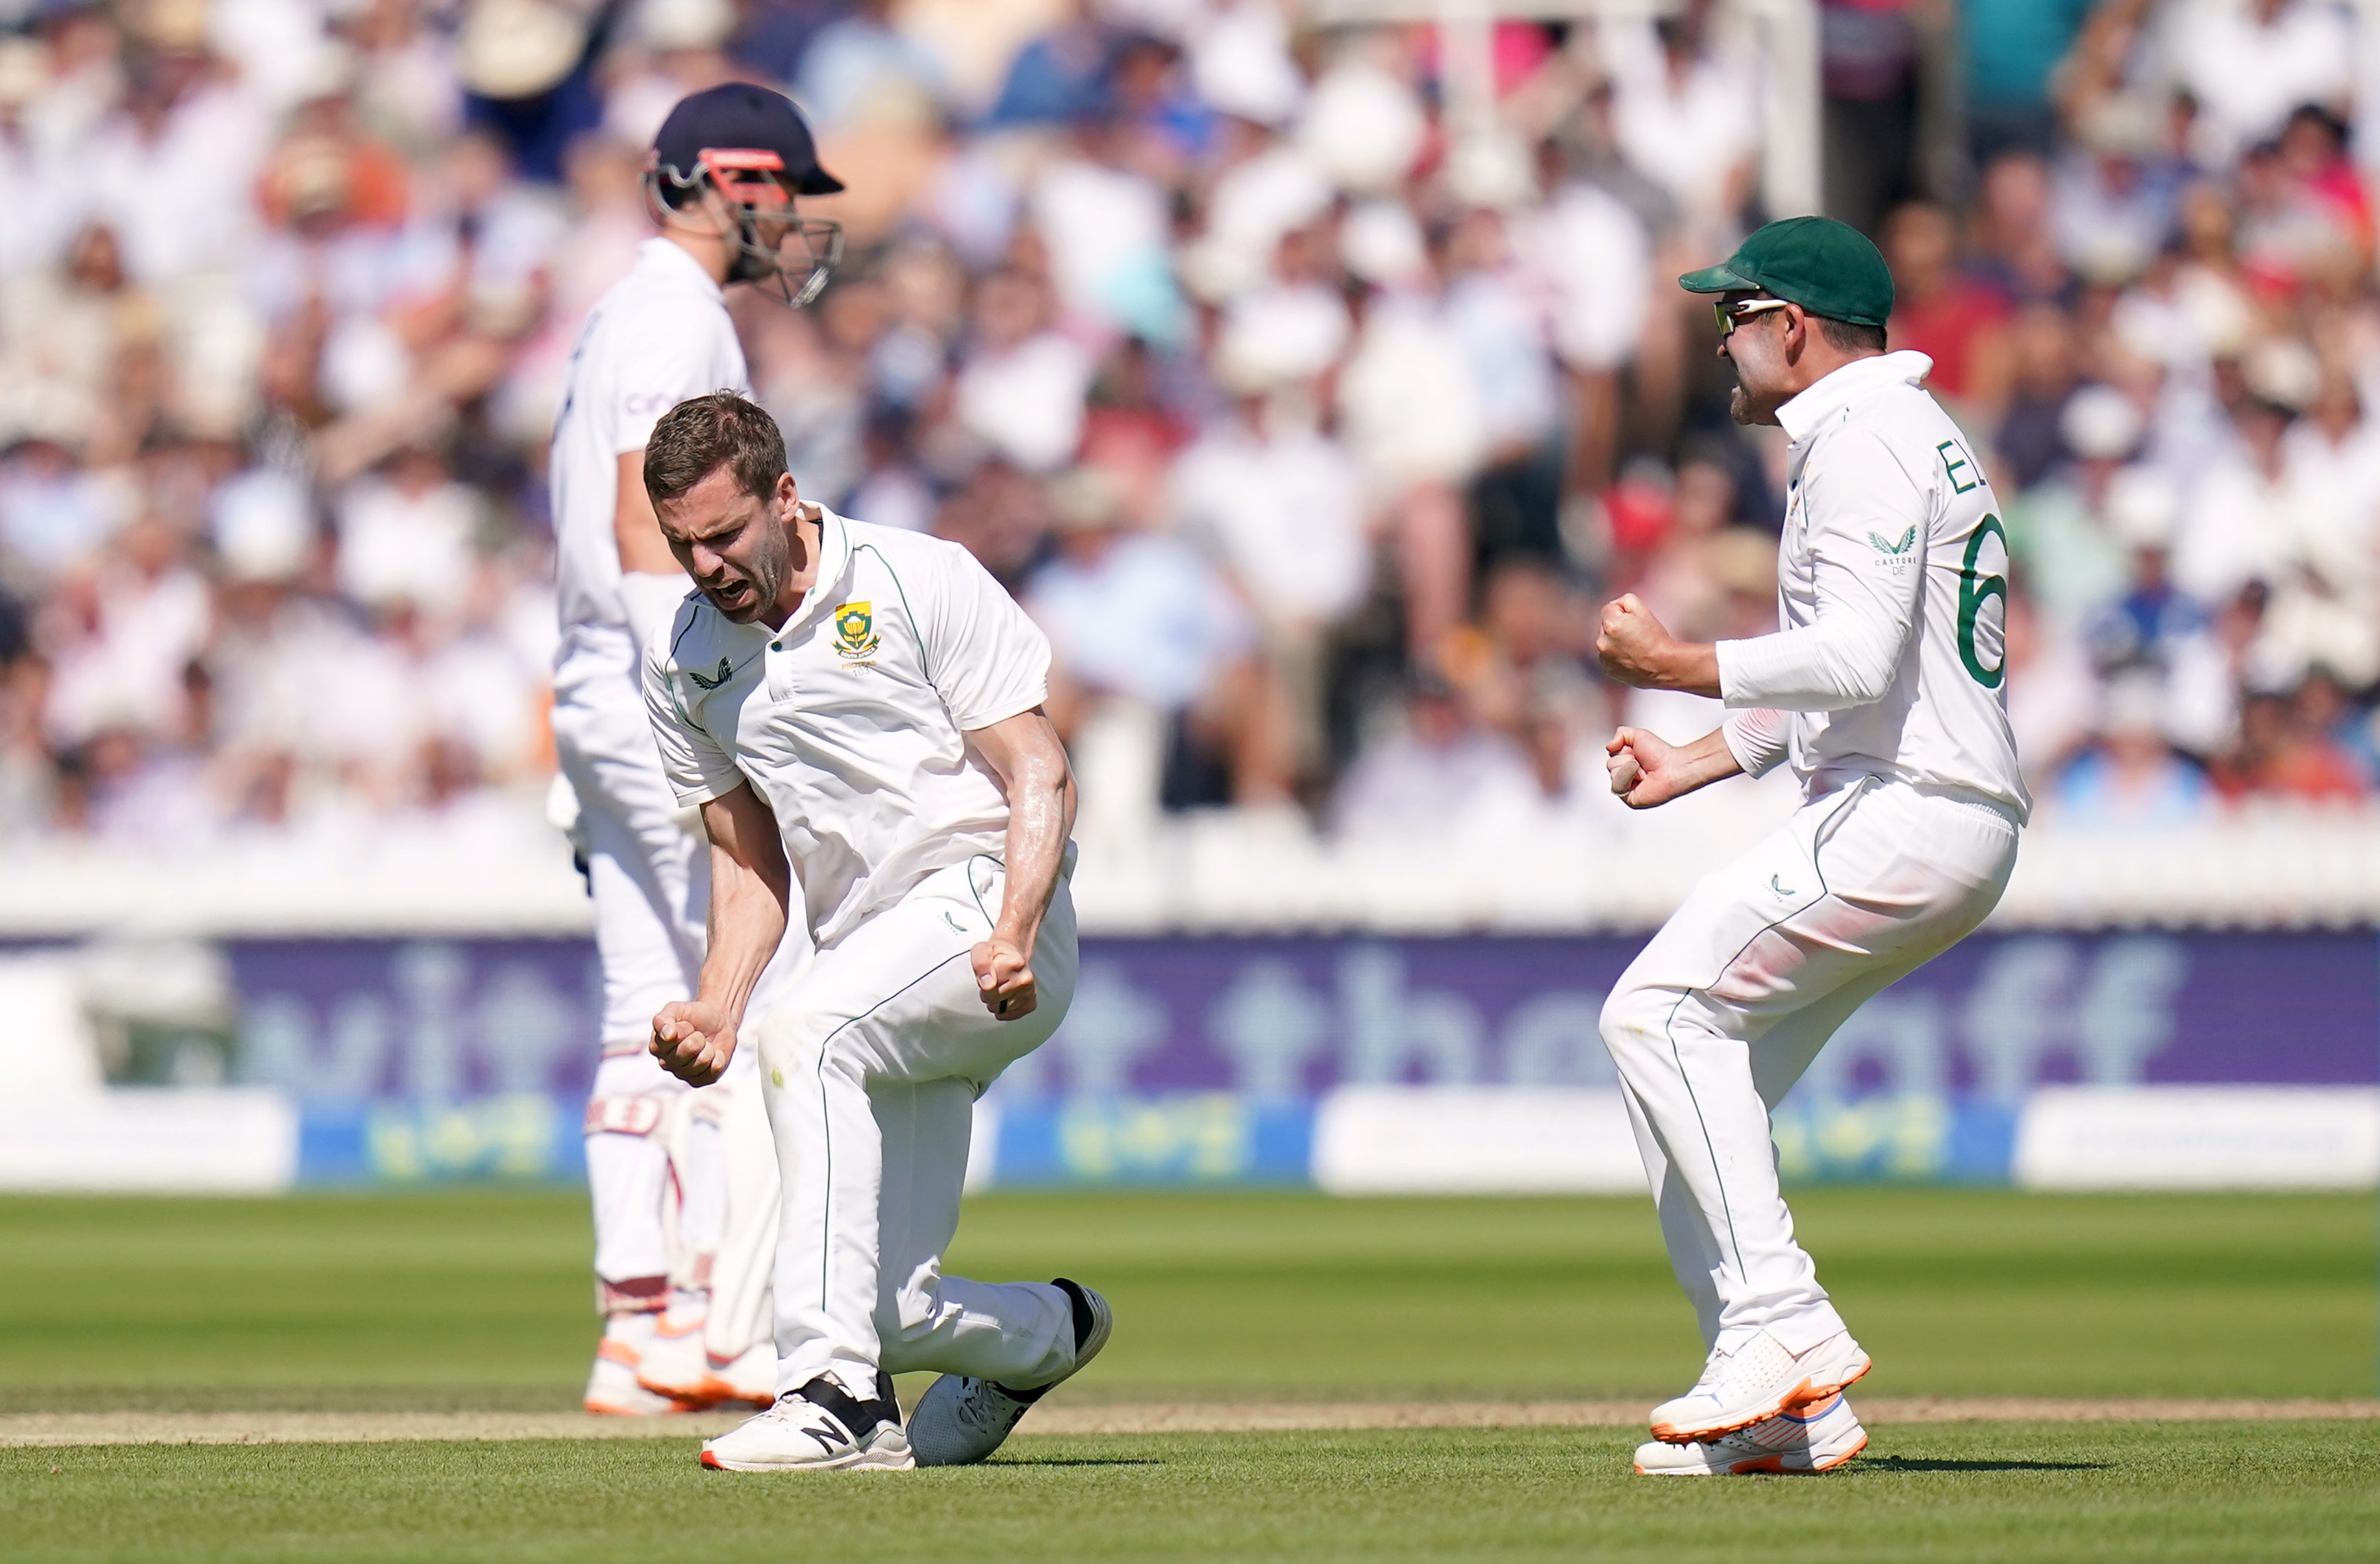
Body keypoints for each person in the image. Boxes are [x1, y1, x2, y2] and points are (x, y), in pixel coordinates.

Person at [1592, 216, 2029, 1477]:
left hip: (1913, 805)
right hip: (1920, 803)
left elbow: (1855, 657)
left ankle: (1782, 1329)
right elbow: (1852, 678)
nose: (1719, 340)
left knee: (1657, 1014)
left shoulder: (1870, 439)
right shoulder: (1883, 436)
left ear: (1792, 326)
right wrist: (1704, 756)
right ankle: (1786, 1410)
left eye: (1733, 316)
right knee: (1687, 1107)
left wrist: (1679, 665)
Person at [639, 392, 1109, 1472]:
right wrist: (717, 1002)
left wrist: (1013, 925)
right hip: (870, 965)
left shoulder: (917, 576)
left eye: (722, 535)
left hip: (988, 914)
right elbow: (746, 854)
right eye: (681, 545)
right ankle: (1050, 1331)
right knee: (890, 1304)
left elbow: (1037, 769)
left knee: (806, 1035)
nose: (705, 565)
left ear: (786, 498)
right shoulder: (686, 657)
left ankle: (834, 1400)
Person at [549, 82, 842, 1416]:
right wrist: (714, 691)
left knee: (639, 1006)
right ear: (726, 179)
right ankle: (725, 1320)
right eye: (782, 185)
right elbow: (639, 516)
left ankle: (638, 1323)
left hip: (594, 688)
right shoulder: (677, 313)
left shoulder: (627, 303)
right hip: (651, 685)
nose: (793, 214)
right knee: (749, 977)